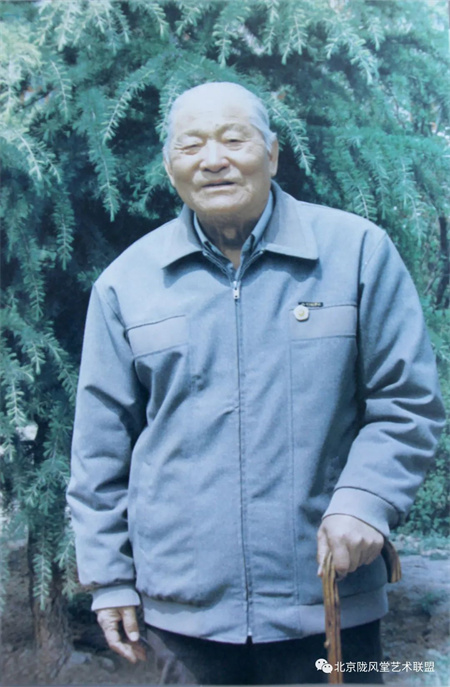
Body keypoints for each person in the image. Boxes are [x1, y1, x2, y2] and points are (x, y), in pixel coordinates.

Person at [68, 82, 445, 685]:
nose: (213, 159)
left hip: (328, 600)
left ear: (271, 154)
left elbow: (406, 402)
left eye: (233, 139)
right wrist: (109, 576)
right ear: (169, 166)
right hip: (183, 614)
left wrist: (366, 500)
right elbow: (99, 447)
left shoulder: (356, 253)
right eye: (191, 145)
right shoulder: (127, 284)